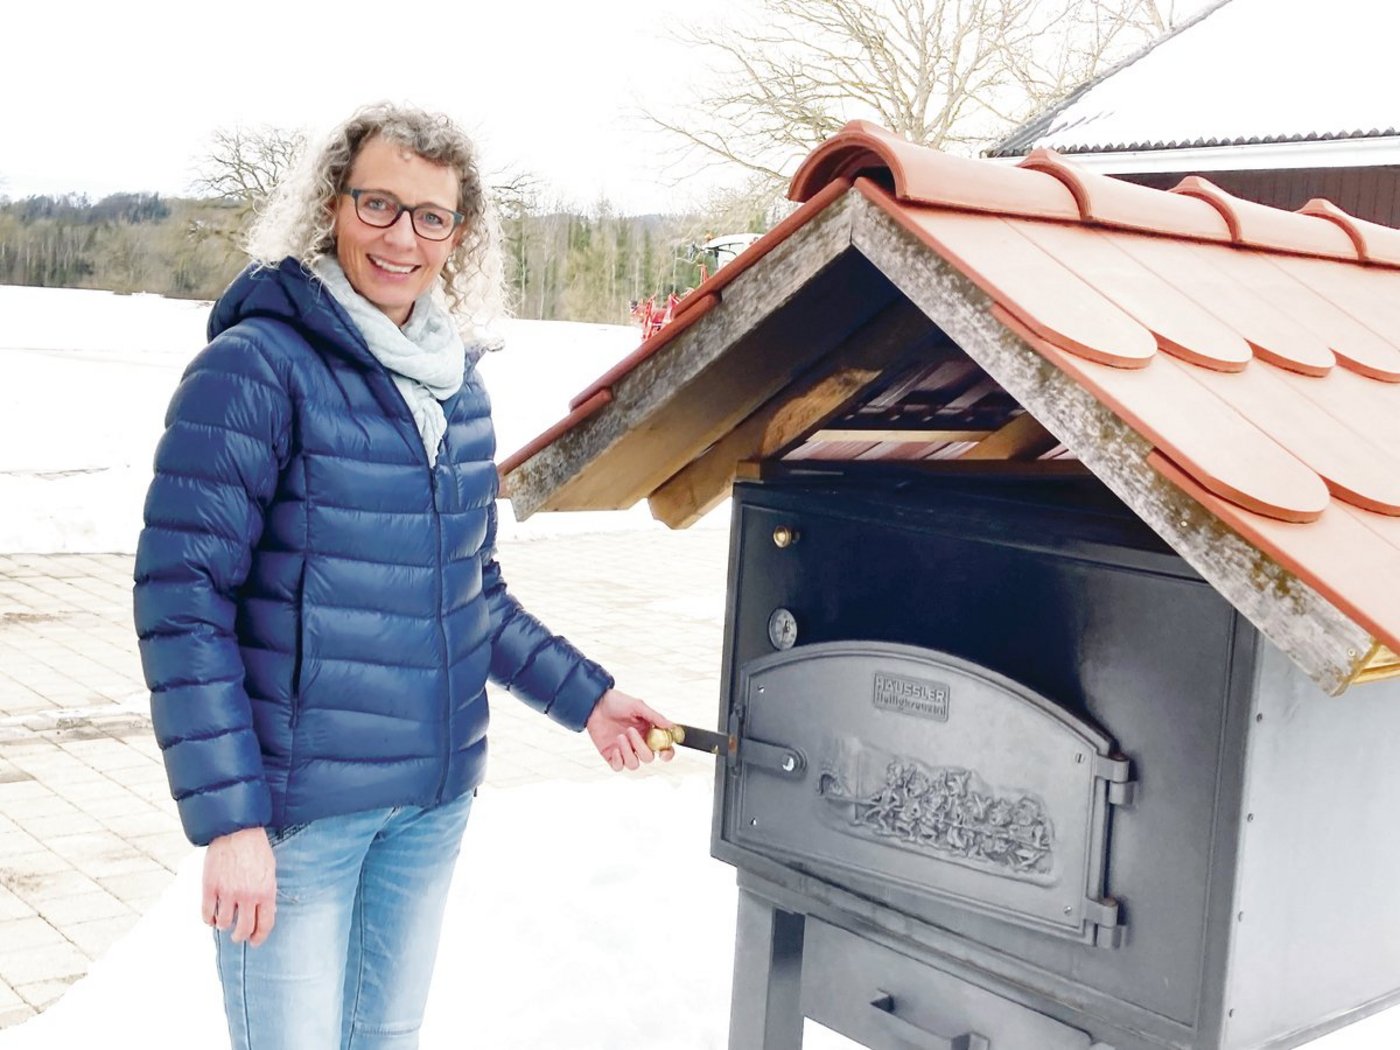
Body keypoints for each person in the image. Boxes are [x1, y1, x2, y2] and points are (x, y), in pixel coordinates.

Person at [132, 102, 674, 1050]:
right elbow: (183, 601)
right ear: (331, 206)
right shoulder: (257, 366)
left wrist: (589, 698)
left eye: (431, 216)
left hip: (428, 807)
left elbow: (471, 595)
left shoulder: (457, 386)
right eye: (378, 205)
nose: (402, 238)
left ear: (459, 236)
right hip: (297, 818)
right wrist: (231, 822)